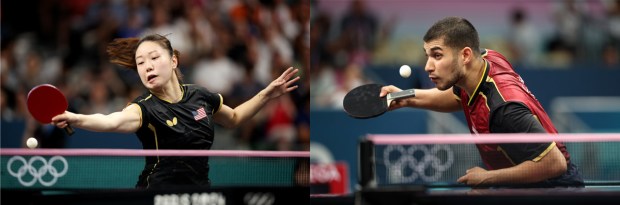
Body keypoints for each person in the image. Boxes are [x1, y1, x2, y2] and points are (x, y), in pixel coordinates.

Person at [51, 34, 300, 189]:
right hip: (158, 193)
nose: (146, 66)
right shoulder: (144, 107)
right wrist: (76, 118)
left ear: (173, 61)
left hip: (200, 193)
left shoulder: (200, 96)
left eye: (153, 58)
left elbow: (234, 118)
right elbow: (111, 122)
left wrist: (266, 94)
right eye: (140, 63)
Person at [380, 17, 583, 188]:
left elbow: (554, 164)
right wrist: (407, 97)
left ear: (466, 55)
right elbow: (457, 96)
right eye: (428, 56)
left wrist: (488, 177)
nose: (428, 67)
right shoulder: (485, 60)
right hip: (523, 186)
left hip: (554, 189)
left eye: (437, 55)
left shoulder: (504, 109)